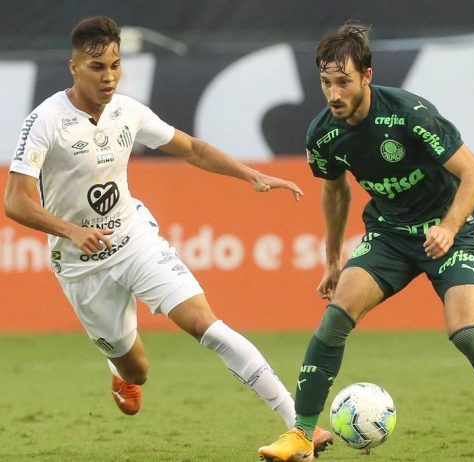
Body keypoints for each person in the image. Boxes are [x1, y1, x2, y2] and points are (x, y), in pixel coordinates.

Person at [2, 16, 333, 455]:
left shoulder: (128, 111)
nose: (109, 77)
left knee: (206, 325)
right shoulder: (45, 120)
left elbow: (192, 148)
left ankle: (300, 426)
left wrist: (250, 174)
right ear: (74, 67)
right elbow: (15, 201)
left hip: (133, 238)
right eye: (97, 67)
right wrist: (72, 231)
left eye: (115, 65)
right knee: (137, 370)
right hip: (82, 266)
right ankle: (121, 373)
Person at [258, 22, 474, 462]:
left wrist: (448, 226)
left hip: (451, 233)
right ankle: (301, 434)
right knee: (334, 320)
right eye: (326, 83)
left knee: (467, 333)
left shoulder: (409, 114)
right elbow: (335, 192)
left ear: (367, 76)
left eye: (344, 82)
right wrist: (333, 260)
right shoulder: (323, 134)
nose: (333, 94)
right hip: (389, 235)